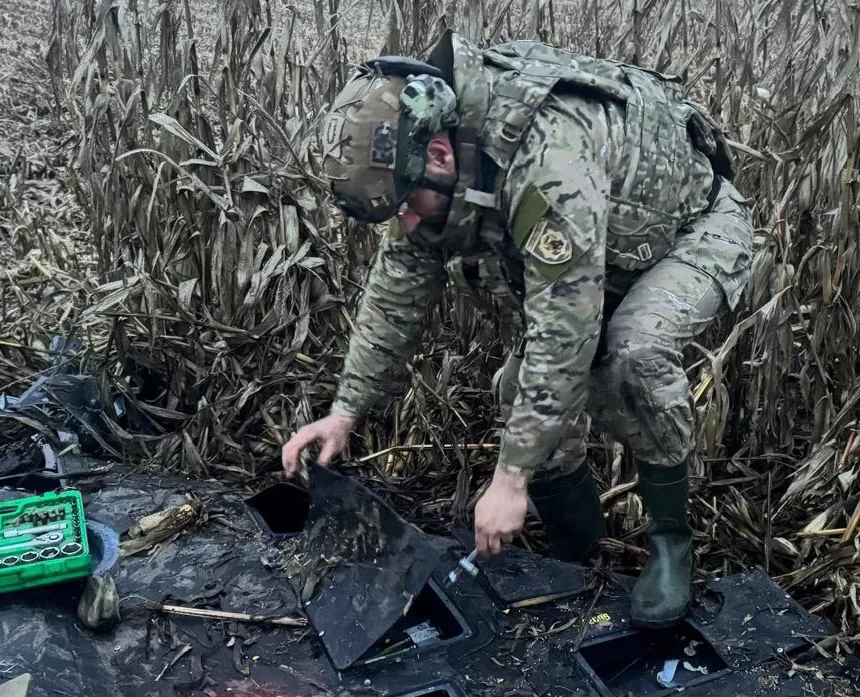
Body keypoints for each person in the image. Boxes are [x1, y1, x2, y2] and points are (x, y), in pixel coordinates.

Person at [280, 30, 756, 628]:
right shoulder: (422, 172)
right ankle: (579, 547)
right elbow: (394, 294)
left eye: (406, 206)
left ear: (440, 156)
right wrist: (345, 412)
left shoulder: (549, 164)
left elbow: (564, 336)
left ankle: (670, 543)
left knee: (632, 356)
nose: (405, 223)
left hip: (690, 230)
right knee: (518, 392)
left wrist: (511, 480)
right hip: (603, 244)